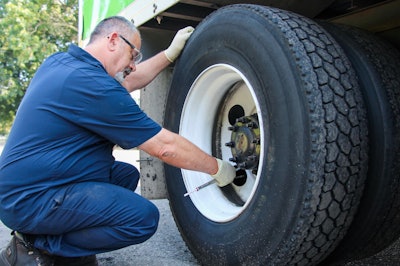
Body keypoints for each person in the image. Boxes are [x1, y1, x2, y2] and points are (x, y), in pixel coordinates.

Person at [0, 16, 236, 266]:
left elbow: (129, 82)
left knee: (124, 175)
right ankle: (38, 245)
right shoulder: (93, 86)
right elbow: (165, 147)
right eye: (133, 54)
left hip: (25, 189)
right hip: (29, 200)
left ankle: (59, 237)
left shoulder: (63, 63)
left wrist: (168, 54)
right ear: (113, 40)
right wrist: (216, 168)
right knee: (141, 219)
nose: (133, 65)